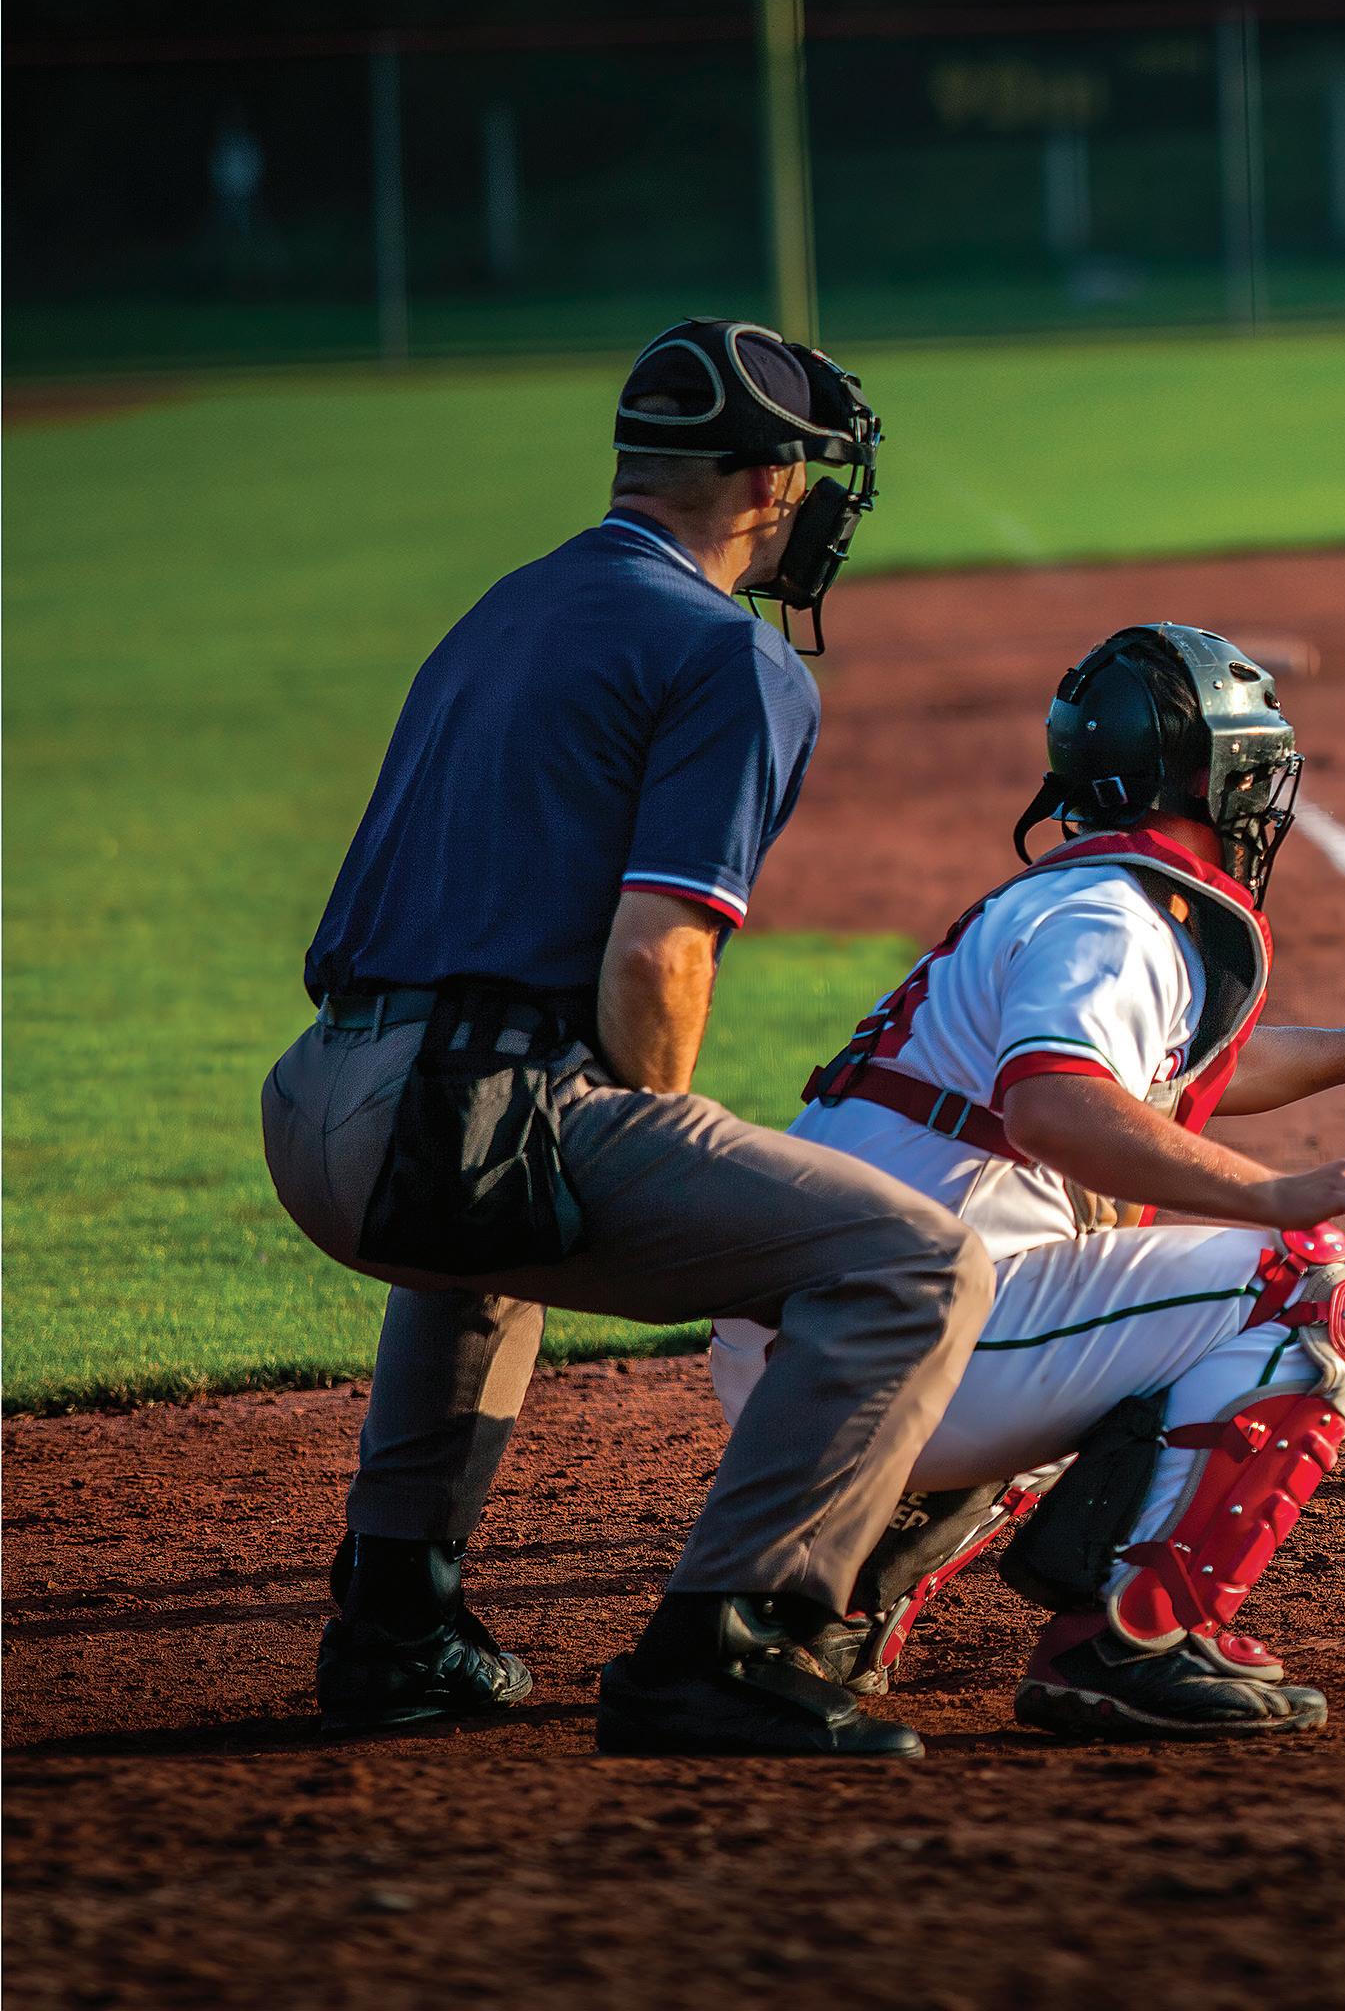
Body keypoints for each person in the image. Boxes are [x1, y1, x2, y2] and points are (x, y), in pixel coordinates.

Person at [262, 318, 991, 1761]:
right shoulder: (730, 655)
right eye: (808, 474)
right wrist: (658, 1137)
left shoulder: (508, 605)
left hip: (315, 1105)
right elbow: (659, 950)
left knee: (487, 1224)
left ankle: (396, 1625)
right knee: (915, 1263)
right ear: (769, 482)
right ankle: (727, 1646)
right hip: (443, 1121)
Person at [706, 625, 1345, 1740]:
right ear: (1211, 778)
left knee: (1109, 1305)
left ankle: (837, 1601)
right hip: (906, 1346)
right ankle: (1134, 1643)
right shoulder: (1112, 919)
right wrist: (1275, 1195)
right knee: (1313, 1291)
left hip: (818, 1348)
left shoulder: (1069, 903)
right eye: (1255, 767)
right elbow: (1057, 1106)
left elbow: (1162, 1078)